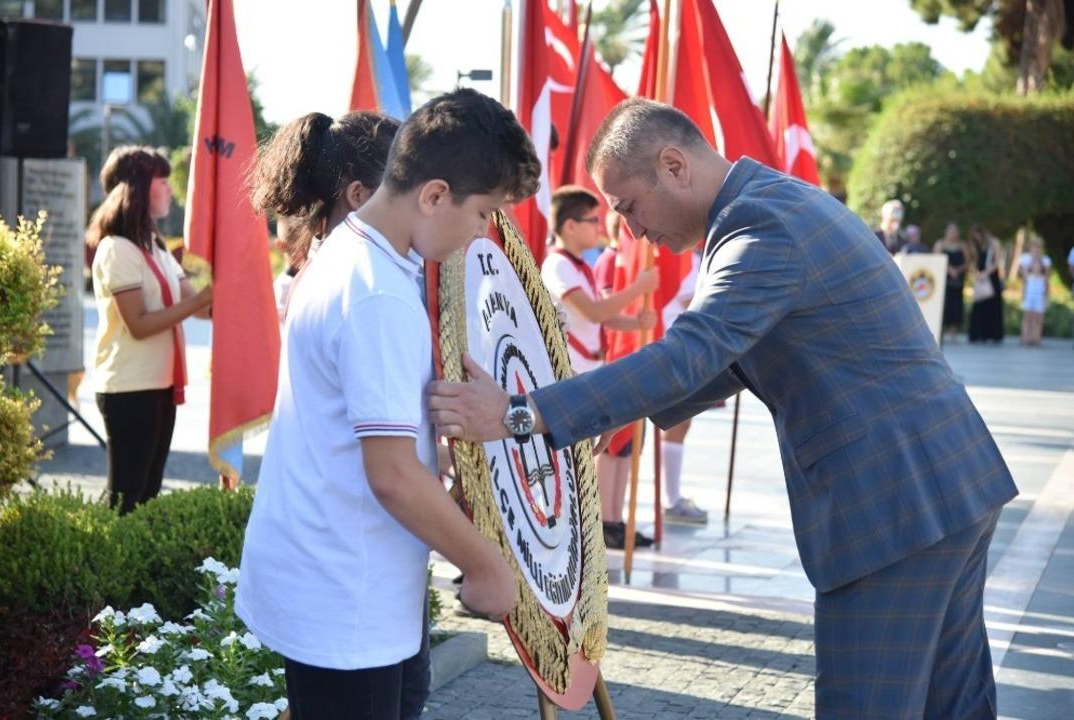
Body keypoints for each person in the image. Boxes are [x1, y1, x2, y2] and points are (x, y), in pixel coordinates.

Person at [429, 98, 1017, 718]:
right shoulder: (771, 204)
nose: (631, 231)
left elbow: (693, 352)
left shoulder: (760, 229)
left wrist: (523, 413)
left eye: (629, 206)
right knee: (952, 704)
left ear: (674, 165)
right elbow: (732, 360)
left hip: (892, 505)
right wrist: (614, 410)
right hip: (944, 484)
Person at [236, 90, 540, 720]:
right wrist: (485, 566)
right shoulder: (377, 293)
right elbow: (393, 474)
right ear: (433, 195)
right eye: (483, 212)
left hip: (351, 584)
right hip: (348, 598)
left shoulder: (357, 250)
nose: (485, 232)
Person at [86, 146, 212, 514]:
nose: (170, 189)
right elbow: (139, 325)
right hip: (128, 387)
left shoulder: (155, 247)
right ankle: (107, 568)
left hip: (159, 386)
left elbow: (200, 308)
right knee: (126, 497)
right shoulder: (116, 249)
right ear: (138, 187)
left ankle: (133, 570)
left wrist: (227, 285)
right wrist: (202, 296)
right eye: (162, 180)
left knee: (149, 495)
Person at [543, 186, 658, 550]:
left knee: (584, 456)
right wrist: (637, 288)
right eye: (592, 220)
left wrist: (634, 322)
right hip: (568, 374)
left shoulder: (580, 266)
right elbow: (592, 311)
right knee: (568, 460)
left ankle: (590, 525)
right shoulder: (557, 264)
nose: (599, 227)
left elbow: (598, 319)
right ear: (570, 226)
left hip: (588, 367)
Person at [659, 246, 710, 525]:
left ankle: (672, 495)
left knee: (682, 423)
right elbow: (687, 297)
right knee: (674, 423)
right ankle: (670, 498)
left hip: (686, 347)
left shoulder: (696, 257)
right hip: (670, 345)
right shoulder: (677, 256)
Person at [968, 225, 1005, 344]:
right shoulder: (975, 244)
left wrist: (986, 273)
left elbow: (998, 261)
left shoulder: (994, 243)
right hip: (980, 278)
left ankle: (993, 335)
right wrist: (977, 273)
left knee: (993, 307)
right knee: (979, 306)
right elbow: (973, 261)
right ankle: (978, 334)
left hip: (991, 277)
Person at [934, 222, 968, 343]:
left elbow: (967, 261)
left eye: (955, 231)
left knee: (956, 305)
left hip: (958, 280)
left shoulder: (962, 245)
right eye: (951, 231)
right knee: (944, 303)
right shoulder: (940, 244)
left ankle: (953, 332)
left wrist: (958, 270)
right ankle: (941, 330)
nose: (953, 234)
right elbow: (936, 259)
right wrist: (949, 269)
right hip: (943, 279)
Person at [1017, 235, 1051, 346]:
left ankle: (1036, 338)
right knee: (1027, 315)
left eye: (1039, 246)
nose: (1037, 248)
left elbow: (1047, 278)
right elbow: (1021, 275)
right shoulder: (1025, 258)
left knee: (1038, 316)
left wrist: (1047, 294)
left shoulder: (1045, 260)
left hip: (1039, 291)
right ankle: (1025, 337)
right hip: (1029, 291)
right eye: (1035, 246)